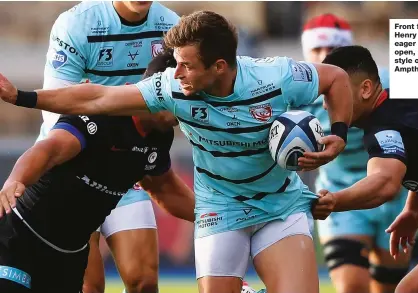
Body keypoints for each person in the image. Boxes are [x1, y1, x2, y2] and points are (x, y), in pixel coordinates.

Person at [0, 10, 354, 293]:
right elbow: (92, 102)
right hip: (218, 209)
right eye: (176, 65)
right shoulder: (164, 90)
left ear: (218, 68)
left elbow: (336, 77)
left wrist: (339, 132)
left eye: (187, 66)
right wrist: (22, 98)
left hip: (278, 204)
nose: (178, 75)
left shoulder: (275, 76)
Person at [0, 53, 195, 293]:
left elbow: (164, 189)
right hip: (21, 237)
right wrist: (15, 180)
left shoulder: (160, 135)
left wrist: (218, 218)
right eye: (180, 93)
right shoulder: (104, 114)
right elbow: (49, 150)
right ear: (155, 86)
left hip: (69, 258)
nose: (186, 105)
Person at [309, 45, 418, 293]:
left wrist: (334, 201)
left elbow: (385, 184)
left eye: (333, 93)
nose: (327, 105)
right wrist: (412, 210)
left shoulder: (383, 127)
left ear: (365, 89)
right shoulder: (404, 100)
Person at [39, 2, 180, 293]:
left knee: (144, 282)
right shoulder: (76, 23)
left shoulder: (172, 27)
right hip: (76, 167)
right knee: (88, 286)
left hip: (127, 167)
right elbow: (55, 105)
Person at [299, 14, 410, 293]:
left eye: (334, 48)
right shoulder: (296, 94)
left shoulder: (385, 82)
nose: (326, 55)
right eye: (317, 49)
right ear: (305, 52)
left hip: (395, 193)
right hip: (339, 192)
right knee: (352, 286)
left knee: (390, 288)